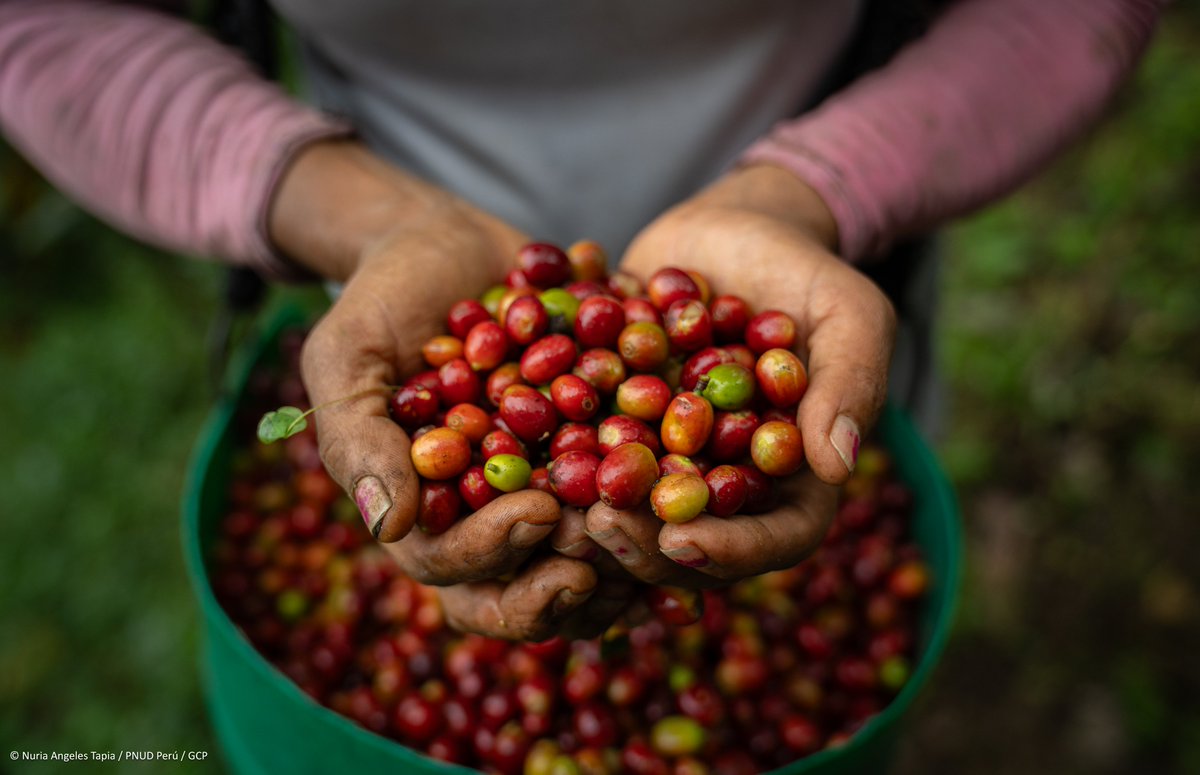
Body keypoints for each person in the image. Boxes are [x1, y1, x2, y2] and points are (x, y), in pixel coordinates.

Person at [0, 0, 1163, 640]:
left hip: (818, 247)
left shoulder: (667, 378)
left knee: (827, 516)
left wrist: (818, 188)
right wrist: (348, 214)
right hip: (389, 239)